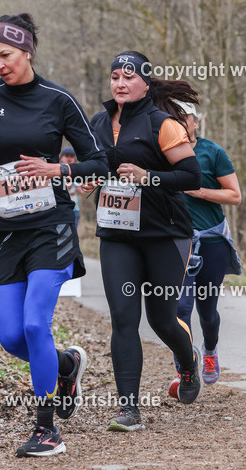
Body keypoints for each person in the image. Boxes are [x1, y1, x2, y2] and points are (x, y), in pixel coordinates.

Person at [0, 13, 108, 456]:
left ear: (27, 52)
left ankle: (47, 430)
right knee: (10, 336)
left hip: (49, 225)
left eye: (6, 55)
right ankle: (66, 365)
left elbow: (97, 162)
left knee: (34, 323)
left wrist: (55, 169)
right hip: (0, 228)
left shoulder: (58, 100)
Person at [84, 51, 204, 431]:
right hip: (118, 234)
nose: (120, 83)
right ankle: (128, 410)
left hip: (165, 234)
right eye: (115, 76)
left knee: (161, 319)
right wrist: (89, 179)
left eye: (129, 77)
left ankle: (188, 364)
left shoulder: (163, 124)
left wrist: (147, 176)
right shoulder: (99, 124)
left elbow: (191, 177)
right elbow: (97, 165)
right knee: (123, 318)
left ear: (145, 83)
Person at [168, 100, 242, 395]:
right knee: (180, 309)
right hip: (177, 242)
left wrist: (198, 191)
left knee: (207, 312)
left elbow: (234, 196)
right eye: (172, 117)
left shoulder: (212, 152)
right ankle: (184, 370)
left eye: (184, 117)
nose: (179, 122)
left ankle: (209, 351)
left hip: (211, 242)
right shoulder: (162, 154)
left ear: (195, 122)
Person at [59, 148, 81, 228]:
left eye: (71, 156)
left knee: (73, 232)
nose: (69, 158)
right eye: (66, 156)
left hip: (74, 209)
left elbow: (81, 191)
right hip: (60, 210)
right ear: (61, 158)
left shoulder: (78, 174)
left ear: (75, 158)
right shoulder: (56, 173)